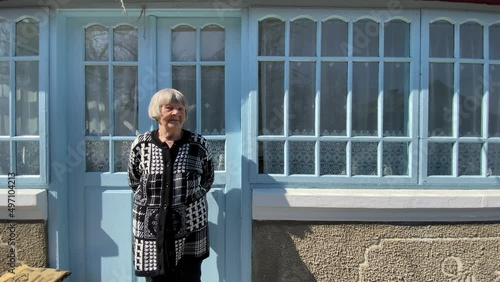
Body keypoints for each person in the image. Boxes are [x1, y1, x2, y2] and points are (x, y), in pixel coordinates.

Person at [128, 88, 214, 282]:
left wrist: (189, 200)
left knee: (189, 276)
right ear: (157, 112)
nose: (176, 113)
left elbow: (208, 179)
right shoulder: (141, 145)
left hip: (190, 224)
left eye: (181, 109)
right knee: (156, 278)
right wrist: (152, 202)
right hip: (151, 227)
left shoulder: (197, 144)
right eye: (170, 108)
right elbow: (134, 181)